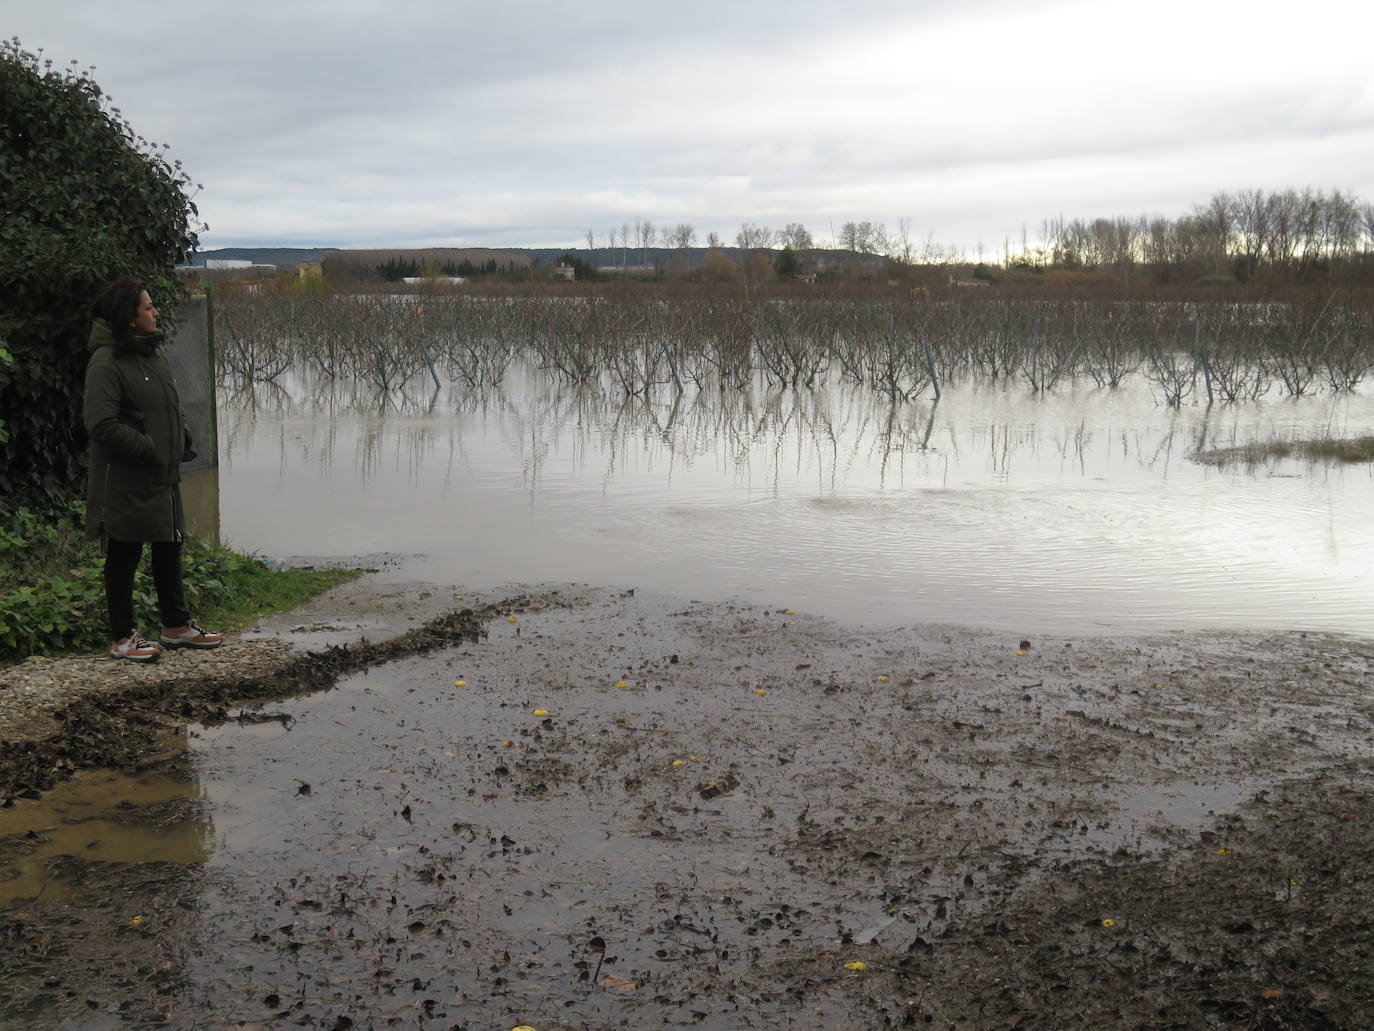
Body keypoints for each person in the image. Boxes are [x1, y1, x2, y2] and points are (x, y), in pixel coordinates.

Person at [84, 277, 223, 661]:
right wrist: (150, 447)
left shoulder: (151, 356)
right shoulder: (105, 363)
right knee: (125, 552)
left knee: (169, 545)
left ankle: (176, 627)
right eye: (147, 307)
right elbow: (101, 424)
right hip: (128, 477)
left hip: (162, 475)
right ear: (129, 318)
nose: (155, 312)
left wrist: (182, 438)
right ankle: (123, 637)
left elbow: (164, 408)